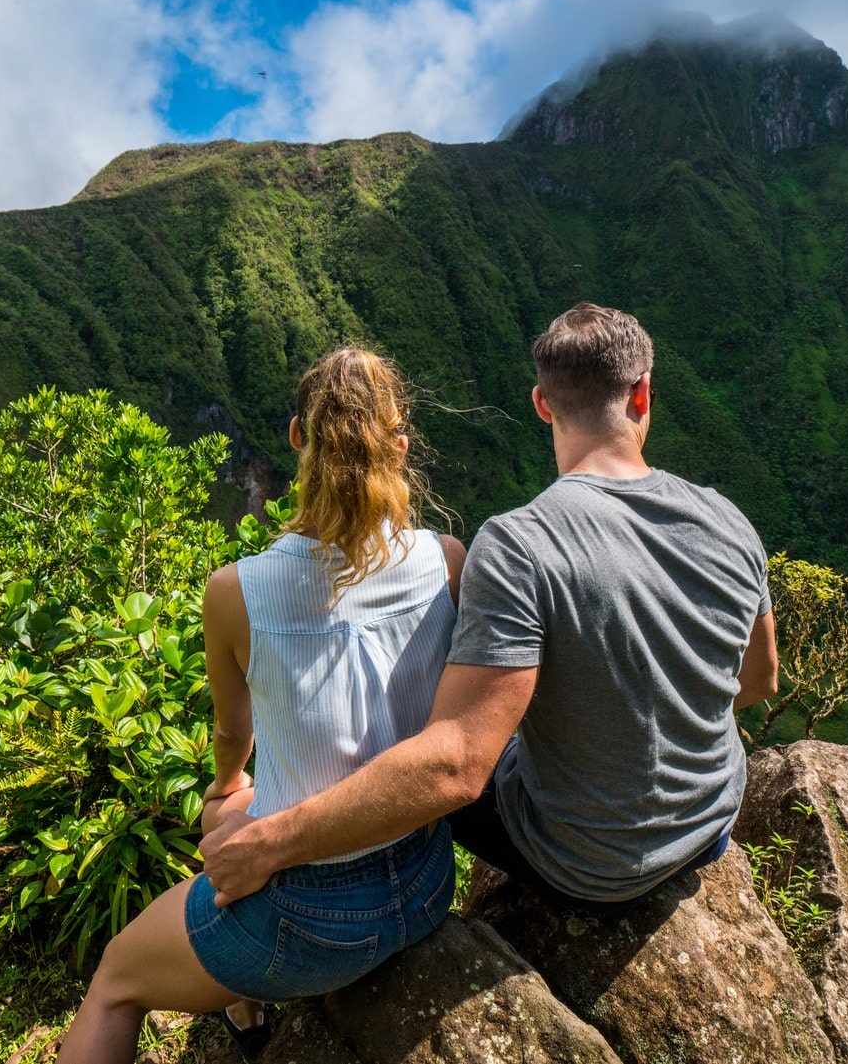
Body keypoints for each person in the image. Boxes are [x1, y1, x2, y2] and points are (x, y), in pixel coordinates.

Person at [202, 302, 779, 916]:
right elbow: (757, 680)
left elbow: (455, 768)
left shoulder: (520, 543)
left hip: (584, 866)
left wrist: (270, 842)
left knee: (442, 753)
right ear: (642, 395)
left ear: (541, 403)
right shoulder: (728, 518)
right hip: (711, 825)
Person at [57, 348, 466, 1064]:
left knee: (117, 977)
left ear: (296, 440)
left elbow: (232, 733)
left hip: (311, 922)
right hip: (427, 880)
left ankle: (246, 998)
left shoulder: (236, 591)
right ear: (399, 447)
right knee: (230, 824)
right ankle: (247, 1012)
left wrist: (225, 786)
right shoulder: (448, 559)